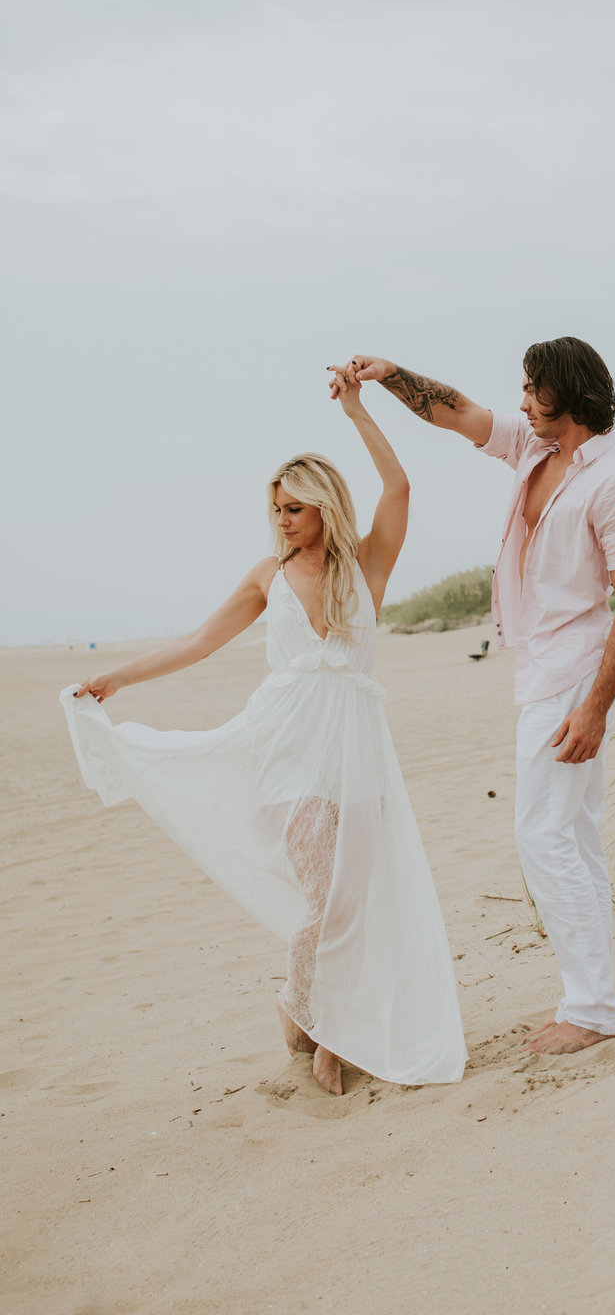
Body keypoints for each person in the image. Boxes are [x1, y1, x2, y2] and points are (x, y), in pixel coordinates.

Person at [62, 372, 467, 1096]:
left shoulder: (366, 565)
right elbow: (198, 642)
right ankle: (328, 1031)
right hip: (286, 752)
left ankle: (302, 1001)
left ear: (324, 507)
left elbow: (399, 486)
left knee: (355, 894)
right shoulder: (267, 577)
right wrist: (117, 678)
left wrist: (356, 410)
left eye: (294, 508)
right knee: (323, 892)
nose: (280, 520)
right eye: (275, 509)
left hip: (357, 752)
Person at [335, 338, 615, 1055]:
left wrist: (595, 707)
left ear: (565, 393)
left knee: (541, 835)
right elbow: (459, 414)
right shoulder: (537, 454)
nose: (519, 402)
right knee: (571, 835)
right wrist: (391, 377)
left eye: (531, 389)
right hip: (540, 668)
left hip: (574, 673)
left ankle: (594, 1009)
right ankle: (593, 994)